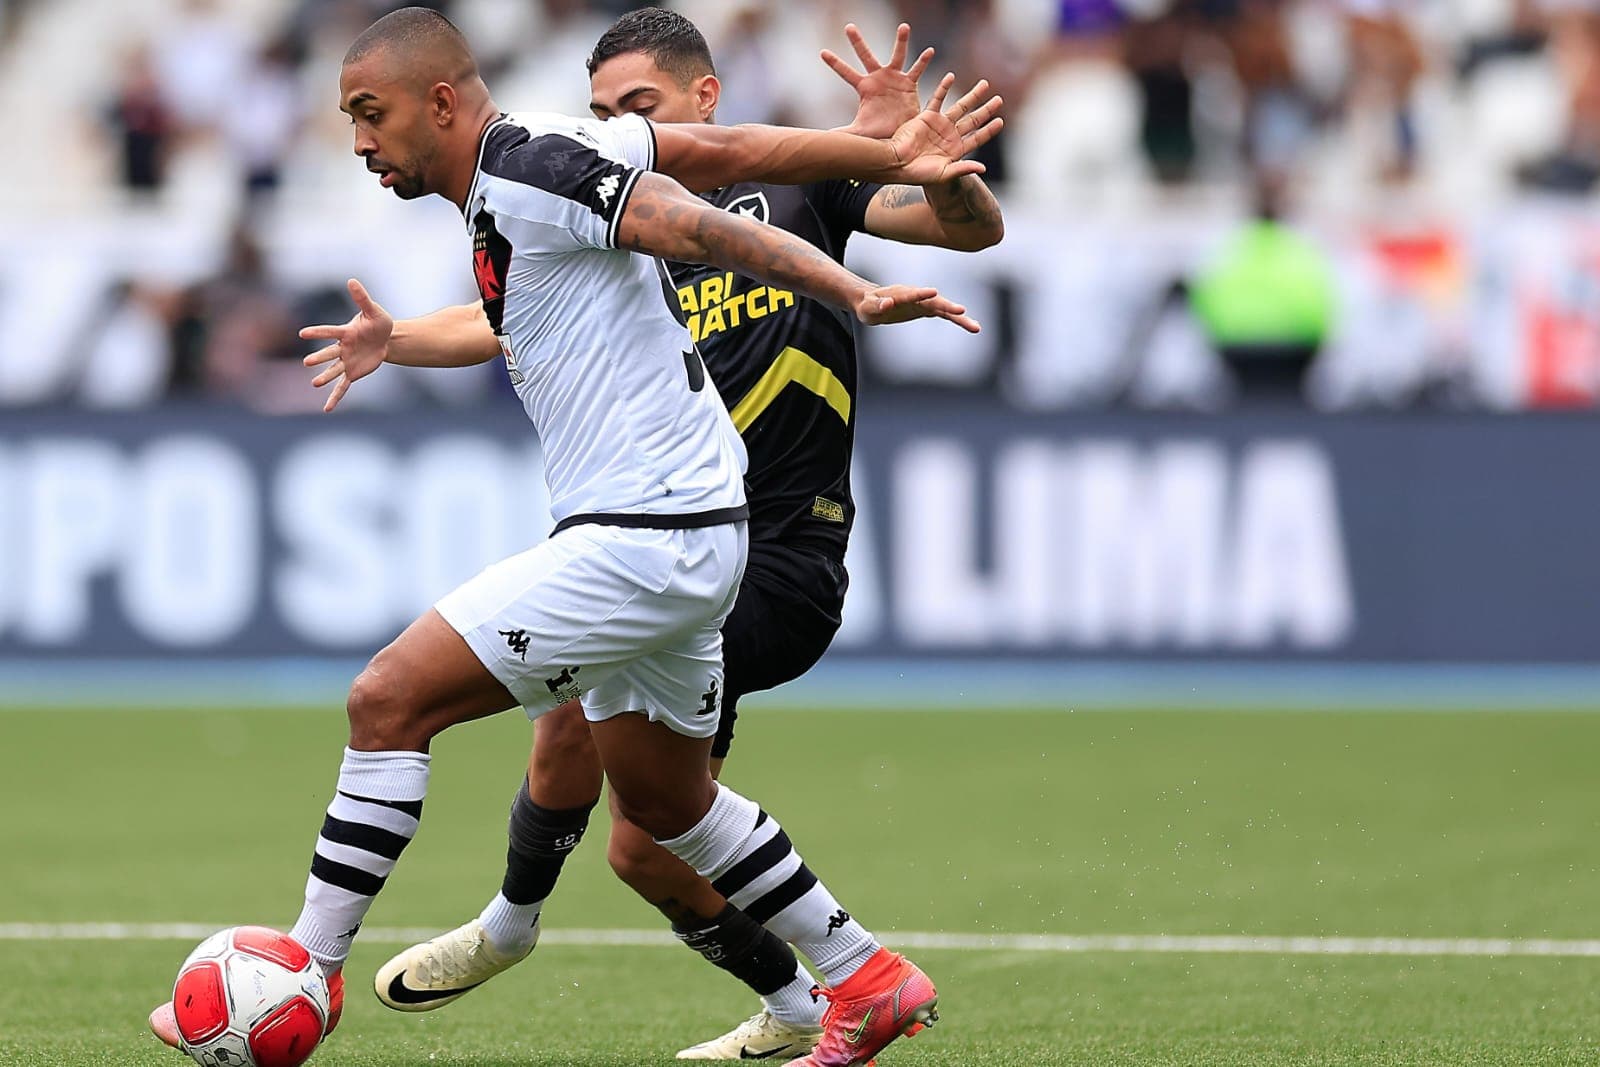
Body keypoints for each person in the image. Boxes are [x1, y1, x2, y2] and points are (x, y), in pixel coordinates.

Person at [144, 8, 1003, 1067]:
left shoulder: (532, 168)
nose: (358, 141)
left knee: (388, 698)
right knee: (666, 806)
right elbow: (726, 154)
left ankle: (308, 968)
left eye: (371, 114)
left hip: (652, 533)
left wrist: (852, 285)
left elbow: (704, 226)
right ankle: (863, 976)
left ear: (442, 101)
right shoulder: (545, 168)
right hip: (690, 533)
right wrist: (867, 145)